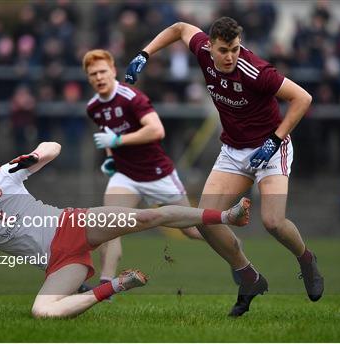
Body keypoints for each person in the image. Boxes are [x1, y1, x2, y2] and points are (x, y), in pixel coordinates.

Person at [124, 17, 324, 316]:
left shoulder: (255, 69)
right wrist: (145, 53)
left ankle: (306, 259)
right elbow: (179, 28)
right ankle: (249, 276)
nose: (230, 56)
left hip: (271, 148)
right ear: (210, 47)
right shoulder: (202, 50)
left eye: (234, 48)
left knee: (273, 222)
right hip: (233, 151)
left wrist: (274, 140)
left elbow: (302, 98)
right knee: (205, 220)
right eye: (223, 50)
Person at [0, 142, 251, 319]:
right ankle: (117, 285)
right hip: (61, 265)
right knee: (42, 312)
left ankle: (226, 215)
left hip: (74, 225)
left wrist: (33, 156)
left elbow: (54, 147)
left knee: (149, 218)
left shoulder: (3, 176)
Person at [82, 49, 203, 288]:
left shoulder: (131, 97)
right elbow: (108, 134)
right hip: (125, 175)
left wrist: (117, 142)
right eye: (93, 73)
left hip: (157, 174)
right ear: (88, 77)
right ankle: (106, 286)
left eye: (103, 71)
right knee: (109, 225)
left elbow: (156, 130)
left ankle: (234, 249)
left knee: (191, 230)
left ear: (113, 71)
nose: (99, 77)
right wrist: (110, 157)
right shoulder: (93, 107)